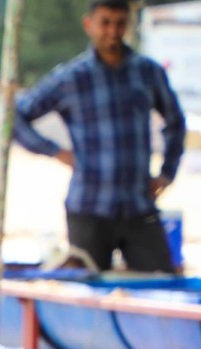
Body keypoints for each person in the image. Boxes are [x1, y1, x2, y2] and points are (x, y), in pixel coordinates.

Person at [14, 0, 186, 273]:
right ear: (89, 25)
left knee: (160, 283)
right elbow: (15, 117)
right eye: (105, 23)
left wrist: (167, 172)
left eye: (120, 24)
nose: (112, 31)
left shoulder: (147, 72)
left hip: (139, 205)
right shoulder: (72, 77)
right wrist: (55, 151)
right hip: (89, 206)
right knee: (87, 292)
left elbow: (176, 122)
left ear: (129, 26)